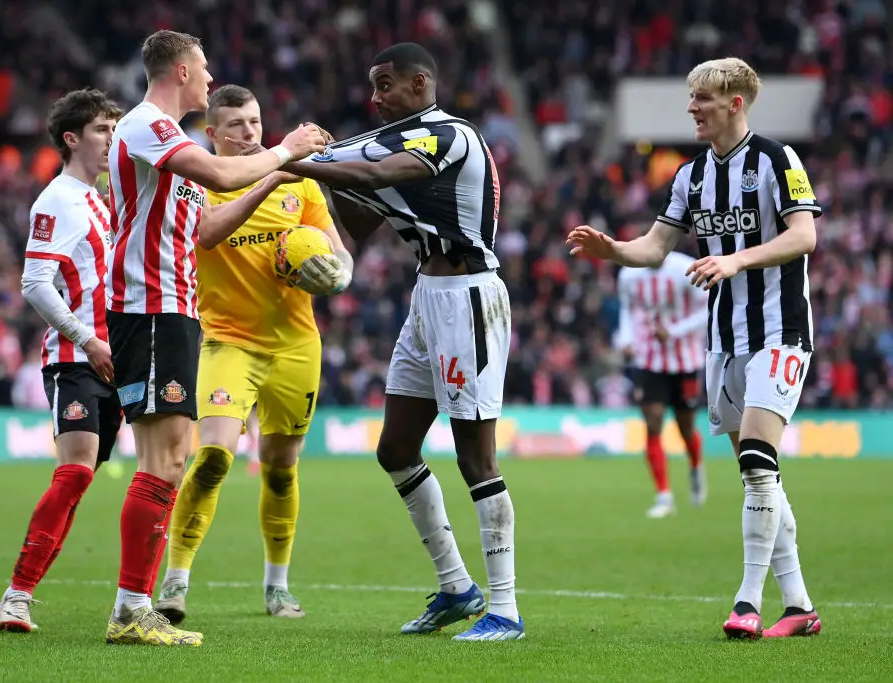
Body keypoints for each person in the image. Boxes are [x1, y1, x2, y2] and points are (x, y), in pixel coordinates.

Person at [567, 57, 821, 640]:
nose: (691, 108)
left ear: (735, 103)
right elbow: (656, 248)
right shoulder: (690, 176)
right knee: (762, 478)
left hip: (779, 332)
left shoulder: (778, 160)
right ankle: (801, 606)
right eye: (689, 97)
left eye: (702, 98)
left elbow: (805, 234)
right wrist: (612, 250)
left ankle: (747, 604)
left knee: (758, 467)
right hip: (723, 341)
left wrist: (735, 258)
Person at [279, 42, 523, 641]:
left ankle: (506, 609)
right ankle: (456, 588)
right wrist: (321, 197)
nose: (375, 95)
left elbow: (379, 172)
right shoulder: (395, 141)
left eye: (386, 83)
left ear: (421, 82)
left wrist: (297, 162)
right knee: (395, 447)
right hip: (427, 298)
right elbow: (358, 219)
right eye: (372, 85)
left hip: (469, 295)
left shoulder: (446, 135)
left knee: (475, 457)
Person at [103, 30, 325, 647]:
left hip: (172, 310)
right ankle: (131, 608)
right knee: (165, 461)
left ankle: (137, 605)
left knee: (168, 463)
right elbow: (220, 170)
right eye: (202, 69)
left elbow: (207, 217)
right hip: (150, 306)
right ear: (179, 70)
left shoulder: (162, 136)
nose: (207, 77)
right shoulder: (149, 125)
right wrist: (286, 151)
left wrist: (275, 173)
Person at [153, 84, 353, 624]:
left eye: (255, 121)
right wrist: (271, 176)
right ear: (211, 134)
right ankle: (175, 582)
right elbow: (208, 238)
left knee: (281, 470)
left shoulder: (302, 185)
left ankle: (277, 587)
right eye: (236, 125)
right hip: (228, 341)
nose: (249, 132)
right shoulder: (198, 183)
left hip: (295, 345)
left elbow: (339, 254)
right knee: (213, 457)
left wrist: (333, 275)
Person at [0, 88, 123, 633]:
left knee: (85, 478)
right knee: (72, 474)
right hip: (76, 357)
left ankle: (131, 601)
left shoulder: (99, 198)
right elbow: (34, 282)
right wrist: (86, 339)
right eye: (101, 131)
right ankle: (17, 596)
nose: (110, 140)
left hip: (116, 360)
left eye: (115, 130)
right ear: (71, 139)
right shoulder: (57, 200)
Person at [614, 248, 709, 518]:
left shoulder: (687, 269)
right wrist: (626, 339)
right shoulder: (629, 274)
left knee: (685, 427)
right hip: (648, 360)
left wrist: (674, 331)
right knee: (653, 421)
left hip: (686, 361)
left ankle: (695, 464)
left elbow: (706, 311)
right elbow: (627, 311)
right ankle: (664, 496)